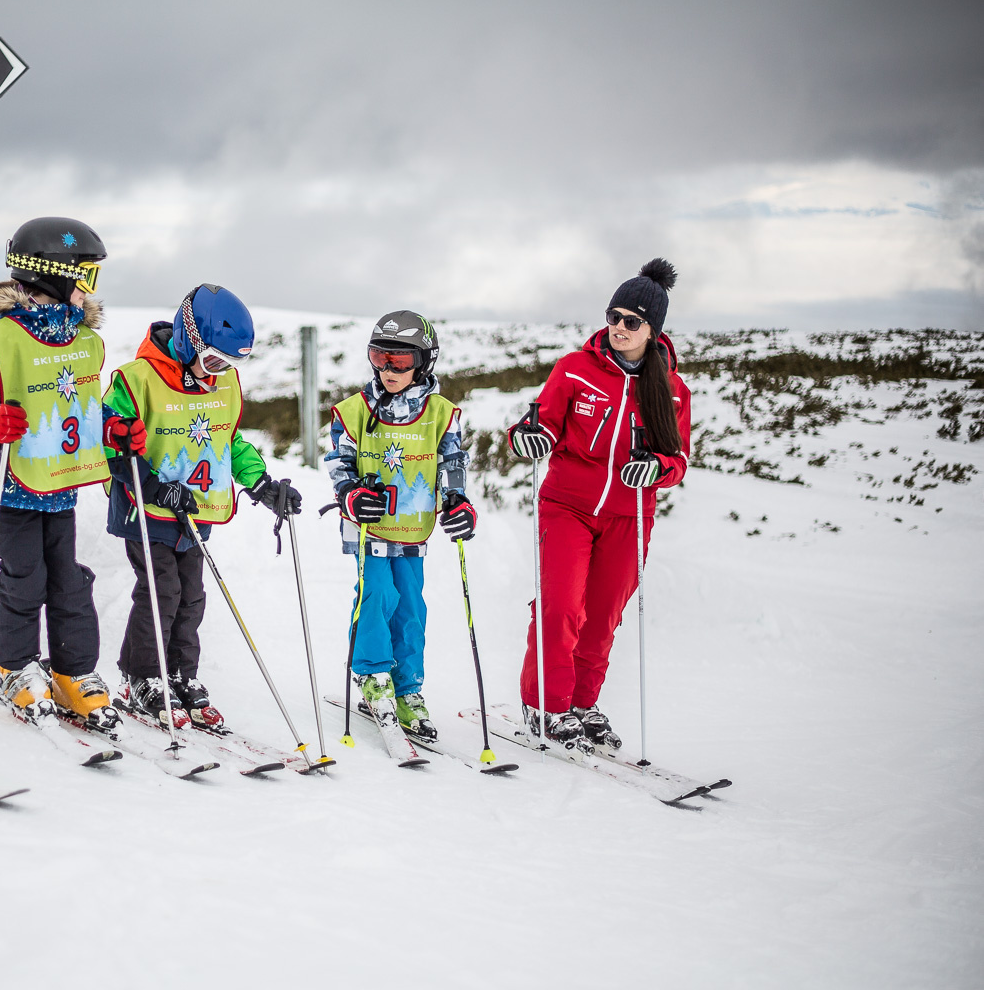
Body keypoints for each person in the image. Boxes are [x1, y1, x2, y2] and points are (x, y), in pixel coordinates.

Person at [507, 258, 691, 747]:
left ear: (653, 330)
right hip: (568, 505)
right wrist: (528, 436)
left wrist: (656, 468)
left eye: (632, 321)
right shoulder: (575, 369)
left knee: (604, 615)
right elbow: (541, 423)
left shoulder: (672, 391)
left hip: (629, 516)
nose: (619, 328)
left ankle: (582, 704)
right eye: (614, 316)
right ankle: (546, 704)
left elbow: (677, 460)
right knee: (562, 607)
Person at [0, 217, 120, 732]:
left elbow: (84, 401)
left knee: (67, 580)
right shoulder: (1, 339)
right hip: (6, 482)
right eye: (83, 273)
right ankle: (15, 668)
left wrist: (112, 426)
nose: (89, 285)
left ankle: (72, 672)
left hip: (57, 481)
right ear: (53, 273)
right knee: (25, 579)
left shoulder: (82, 339)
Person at [100, 284, 297, 728]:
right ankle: (142, 676)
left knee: (191, 597)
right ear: (188, 338)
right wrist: (153, 486)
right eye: (212, 361)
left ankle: (180, 674)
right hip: (144, 508)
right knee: (161, 591)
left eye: (228, 365)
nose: (218, 373)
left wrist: (261, 483)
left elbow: (228, 441)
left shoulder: (220, 384)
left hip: (194, 510)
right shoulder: (137, 379)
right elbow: (110, 441)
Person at [325, 311, 475, 740]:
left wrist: (457, 499)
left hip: (412, 528)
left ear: (424, 362)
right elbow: (339, 460)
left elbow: (452, 461)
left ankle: (408, 688)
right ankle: (373, 675)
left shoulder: (441, 413)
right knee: (377, 594)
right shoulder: (354, 410)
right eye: (379, 357)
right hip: (367, 525)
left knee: (410, 604)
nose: (388, 369)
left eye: (401, 361)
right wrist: (350, 493)